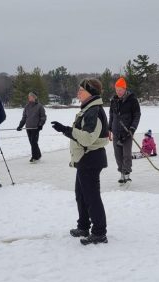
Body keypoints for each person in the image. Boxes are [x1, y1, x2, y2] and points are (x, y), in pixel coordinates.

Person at [51, 79, 109, 245]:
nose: (78, 93)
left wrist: (65, 130)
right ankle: (83, 226)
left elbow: (87, 138)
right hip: (85, 159)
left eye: (81, 90)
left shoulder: (93, 111)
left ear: (90, 92)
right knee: (81, 195)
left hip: (91, 158)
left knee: (92, 198)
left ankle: (99, 233)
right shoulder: (88, 109)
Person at [109, 77, 141, 184]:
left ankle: (127, 173)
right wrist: (109, 128)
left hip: (127, 132)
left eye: (120, 90)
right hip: (116, 132)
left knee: (126, 154)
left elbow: (137, 115)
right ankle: (122, 174)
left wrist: (132, 128)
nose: (118, 92)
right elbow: (111, 116)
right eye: (117, 90)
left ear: (125, 89)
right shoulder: (113, 101)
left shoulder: (132, 100)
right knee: (118, 155)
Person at [17, 92, 47, 163]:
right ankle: (38, 154)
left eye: (30, 97)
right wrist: (20, 126)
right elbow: (24, 117)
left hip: (35, 128)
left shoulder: (39, 106)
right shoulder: (27, 106)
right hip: (28, 128)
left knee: (34, 142)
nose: (29, 98)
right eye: (28, 97)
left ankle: (34, 157)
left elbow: (43, 117)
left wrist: (40, 125)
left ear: (34, 97)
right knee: (32, 142)